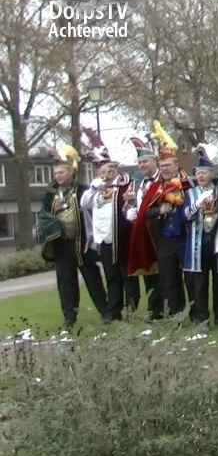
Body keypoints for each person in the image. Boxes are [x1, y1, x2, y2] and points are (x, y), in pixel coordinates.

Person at [37, 143, 108, 328]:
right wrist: (53, 226)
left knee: (92, 278)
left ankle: (106, 311)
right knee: (65, 282)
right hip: (61, 244)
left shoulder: (83, 190)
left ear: (70, 173)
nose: (57, 176)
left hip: (82, 243)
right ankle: (70, 318)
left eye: (60, 173)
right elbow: (44, 214)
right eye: (55, 174)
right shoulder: (51, 194)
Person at [128, 122, 190, 320]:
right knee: (168, 279)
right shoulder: (155, 188)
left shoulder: (187, 183)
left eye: (167, 165)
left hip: (185, 236)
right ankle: (175, 315)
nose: (164, 169)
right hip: (164, 238)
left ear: (176, 165)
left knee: (190, 278)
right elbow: (145, 212)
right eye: (162, 166)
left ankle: (196, 315)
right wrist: (159, 210)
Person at [78, 127, 135, 323]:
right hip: (104, 239)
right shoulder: (97, 189)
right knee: (111, 277)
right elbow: (84, 204)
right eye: (100, 172)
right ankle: (114, 311)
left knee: (127, 275)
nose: (104, 175)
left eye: (107, 170)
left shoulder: (125, 184)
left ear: (114, 169)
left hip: (123, 237)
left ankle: (132, 310)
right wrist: (95, 186)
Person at [182, 145, 218, 327]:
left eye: (204, 173)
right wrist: (196, 205)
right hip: (198, 244)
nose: (201, 176)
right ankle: (202, 317)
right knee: (200, 283)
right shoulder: (190, 193)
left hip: (217, 241)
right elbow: (185, 216)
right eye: (198, 173)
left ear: (211, 174)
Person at [123, 135, 163, 317]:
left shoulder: (162, 180)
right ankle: (153, 310)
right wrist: (128, 212)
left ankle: (164, 309)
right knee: (148, 272)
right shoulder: (137, 182)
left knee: (162, 274)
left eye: (145, 161)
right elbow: (130, 203)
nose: (142, 166)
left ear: (154, 161)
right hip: (141, 232)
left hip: (159, 231)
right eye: (139, 163)